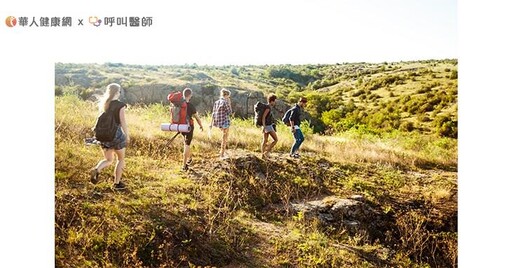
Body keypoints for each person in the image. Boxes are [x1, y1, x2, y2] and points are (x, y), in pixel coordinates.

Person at [90, 83, 130, 189]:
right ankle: (117, 184)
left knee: (108, 160)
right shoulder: (120, 105)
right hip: (116, 136)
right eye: (119, 91)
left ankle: (97, 169)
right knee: (120, 159)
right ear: (117, 92)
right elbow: (123, 122)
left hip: (104, 137)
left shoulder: (104, 103)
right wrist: (127, 135)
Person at [181, 88, 204, 171]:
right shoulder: (190, 105)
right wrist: (201, 125)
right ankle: (184, 166)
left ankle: (189, 158)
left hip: (181, 127)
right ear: (190, 95)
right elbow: (197, 118)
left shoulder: (179, 104)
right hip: (188, 127)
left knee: (186, 142)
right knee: (187, 145)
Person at [210, 88, 232, 158]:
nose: (229, 98)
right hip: (224, 121)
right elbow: (230, 112)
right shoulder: (225, 102)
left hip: (218, 122)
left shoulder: (216, 102)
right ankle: (222, 154)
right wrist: (229, 103)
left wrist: (211, 123)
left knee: (224, 137)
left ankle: (221, 151)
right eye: (228, 96)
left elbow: (213, 113)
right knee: (225, 137)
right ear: (226, 95)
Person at [261, 94, 278, 159]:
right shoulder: (268, 108)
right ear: (271, 101)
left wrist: (264, 126)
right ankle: (266, 152)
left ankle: (263, 155)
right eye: (274, 101)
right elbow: (263, 117)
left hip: (266, 126)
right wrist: (264, 127)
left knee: (265, 140)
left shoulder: (268, 107)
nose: (275, 103)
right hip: (268, 126)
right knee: (276, 140)